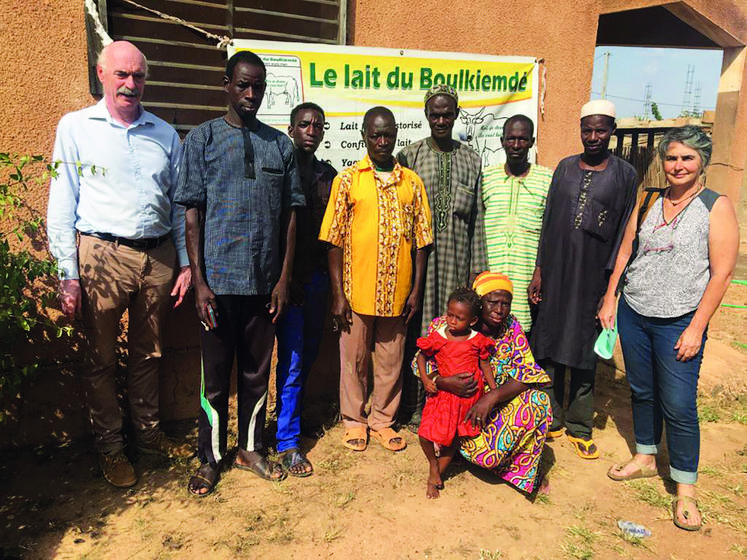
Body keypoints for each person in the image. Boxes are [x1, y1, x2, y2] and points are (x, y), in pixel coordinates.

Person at [47, 41, 193, 488]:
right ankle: (111, 448)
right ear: (102, 74)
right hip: (102, 256)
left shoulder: (164, 133)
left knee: (149, 354)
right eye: (122, 75)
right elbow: (61, 203)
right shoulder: (76, 128)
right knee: (101, 358)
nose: (131, 84)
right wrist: (67, 274)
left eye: (139, 76)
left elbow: (177, 205)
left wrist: (185, 262)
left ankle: (147, 439)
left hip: (158, 256)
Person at [176, 50, 305, 496]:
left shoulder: (279, 145)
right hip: (217, 287)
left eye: (259, 87)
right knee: (214, 380)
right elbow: (192, 215)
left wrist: (283, 280)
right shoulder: (203, 140)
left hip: (264, 286)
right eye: (243, 85)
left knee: (256, 372)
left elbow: (291, 216)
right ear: (227, 84)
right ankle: (209, 458)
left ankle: (252, 449)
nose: (251, 95)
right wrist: (199, 282)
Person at [598, 126, 739, 531]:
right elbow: (626, 250)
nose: (678, 166)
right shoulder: (648, 201)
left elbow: (723, 272)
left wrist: (697, 327)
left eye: (687, 158)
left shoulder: (716, 206)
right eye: (672, 158)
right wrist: (611, 298)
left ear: (702, 163)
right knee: (641, 390)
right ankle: (645, 456)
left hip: (679, 320)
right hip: (636, 312)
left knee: (678, 404)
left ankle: (685, 489)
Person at [319, 106, 433, 453]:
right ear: (364, 136)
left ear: (397, 135)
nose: (382, 141)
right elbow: (333, 239)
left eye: (388, 135)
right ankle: (354, 421)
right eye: (375, 135)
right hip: (356, 293)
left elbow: (423, 241)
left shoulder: (411, 182)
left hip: (396, 294)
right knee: (353, 361)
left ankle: (382, 420)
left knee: (391, 361)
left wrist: (415, 290)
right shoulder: (348, 180)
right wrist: (338, 294)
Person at [528, 99, 637, 459]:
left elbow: (624, 233)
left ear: (611, 131)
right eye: (587, 129)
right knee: (550, 343)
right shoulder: (564, 168)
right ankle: (552, 417)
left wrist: (610, 291)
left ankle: (579, 425)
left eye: (600, 129)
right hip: (557, 272)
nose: (593, 136)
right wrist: (540, 271)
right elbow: (549, 222)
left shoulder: (624, 175)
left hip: (593, 277)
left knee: (584, 353)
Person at [396, 84, 487, 430]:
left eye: (447, 114)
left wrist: (477, 275)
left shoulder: (471, 160)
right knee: (420, 335)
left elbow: (476, 219)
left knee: (452, 339)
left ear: (457, 115)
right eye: (435, 114)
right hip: (418, 266)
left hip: (456, 265)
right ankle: (414, 404)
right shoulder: (410, 156)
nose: (441, 120)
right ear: (425, 115)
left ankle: (450, 404)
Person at [416, 272, 552, 494]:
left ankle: (521, 470)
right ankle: (459, 454)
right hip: (455, 408)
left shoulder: (511, 326)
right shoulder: (449, 325)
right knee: (479, 450)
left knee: (538, 401)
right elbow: (419, 362)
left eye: (505, 304)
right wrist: (443, 382)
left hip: (490, 408)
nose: (499, 310)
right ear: (479, 305)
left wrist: (492, 397)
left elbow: (529, 372)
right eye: (492, 302)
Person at [274, 102, 337, 477]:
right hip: (288, 285)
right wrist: (286, 279)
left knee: (309, 354)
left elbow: (332, 235)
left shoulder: (328, 175)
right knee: (293, 361)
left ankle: (288, 418)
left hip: (318, 280)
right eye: (304, 124)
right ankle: (287, 442)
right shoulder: (279, 169)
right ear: (291, 128)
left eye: (317, 125)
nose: (311, 130)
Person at [416, 287, 495, 498]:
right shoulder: (439, 336)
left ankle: (435, 477)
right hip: (442, 396)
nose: (452, 321)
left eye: (459, 318)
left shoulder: (478, 340)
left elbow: (485, 365)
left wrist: (493, 391)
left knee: (452, 440)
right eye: (450, 315)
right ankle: (433, 465)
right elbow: (421, 357)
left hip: (467, 399)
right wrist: (426, 379)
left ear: (472, 320)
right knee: (424, 434)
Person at [482, 114, 553, 332]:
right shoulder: (486, 177)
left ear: (532, 142)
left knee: (523, 339)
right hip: (491, 275)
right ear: (502, 141)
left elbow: (550, 232)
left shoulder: (547, 179)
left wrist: (540, 273)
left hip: (527, 278)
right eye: (510, 139)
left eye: (522, 139)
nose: (516, 145)